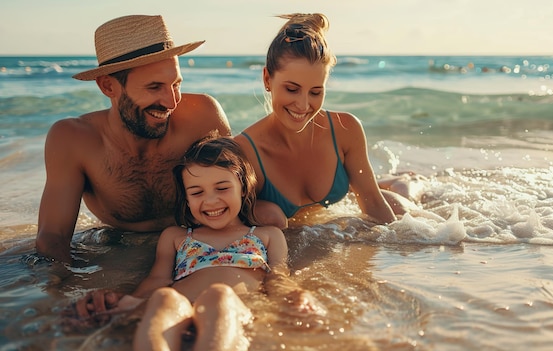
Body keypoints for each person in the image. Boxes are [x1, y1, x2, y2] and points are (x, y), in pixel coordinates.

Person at [71, 136, 325, 350]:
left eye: (222, 188)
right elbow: (158, 279)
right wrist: (131, 301)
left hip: (235, 308)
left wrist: (297, 295)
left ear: (243, 188)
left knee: (219, 295)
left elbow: (278, 276)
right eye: (197, 192)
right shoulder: (176, 236)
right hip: (180, 306)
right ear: (187, 199)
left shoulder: (266, 235)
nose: (211, 201)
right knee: (163, 299)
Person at [35, 15, 232, 264]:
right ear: (108, 87)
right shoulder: (74, 140)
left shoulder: (203, 117)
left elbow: (244, 197)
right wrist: (63, 289)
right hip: (118, 252)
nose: (172, 102)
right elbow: (52, 237)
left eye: (176, 84)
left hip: (200, 245)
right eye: (154, 87)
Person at [234, 13, 421, 226]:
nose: (304, 105)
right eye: (292, 89)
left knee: (405, 207)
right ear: (267, 79)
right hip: (323, 218)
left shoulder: (345, 129)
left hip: (335, 211)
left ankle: (406, 181)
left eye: (315, 92)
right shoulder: (244, 152)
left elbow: (374, 205)